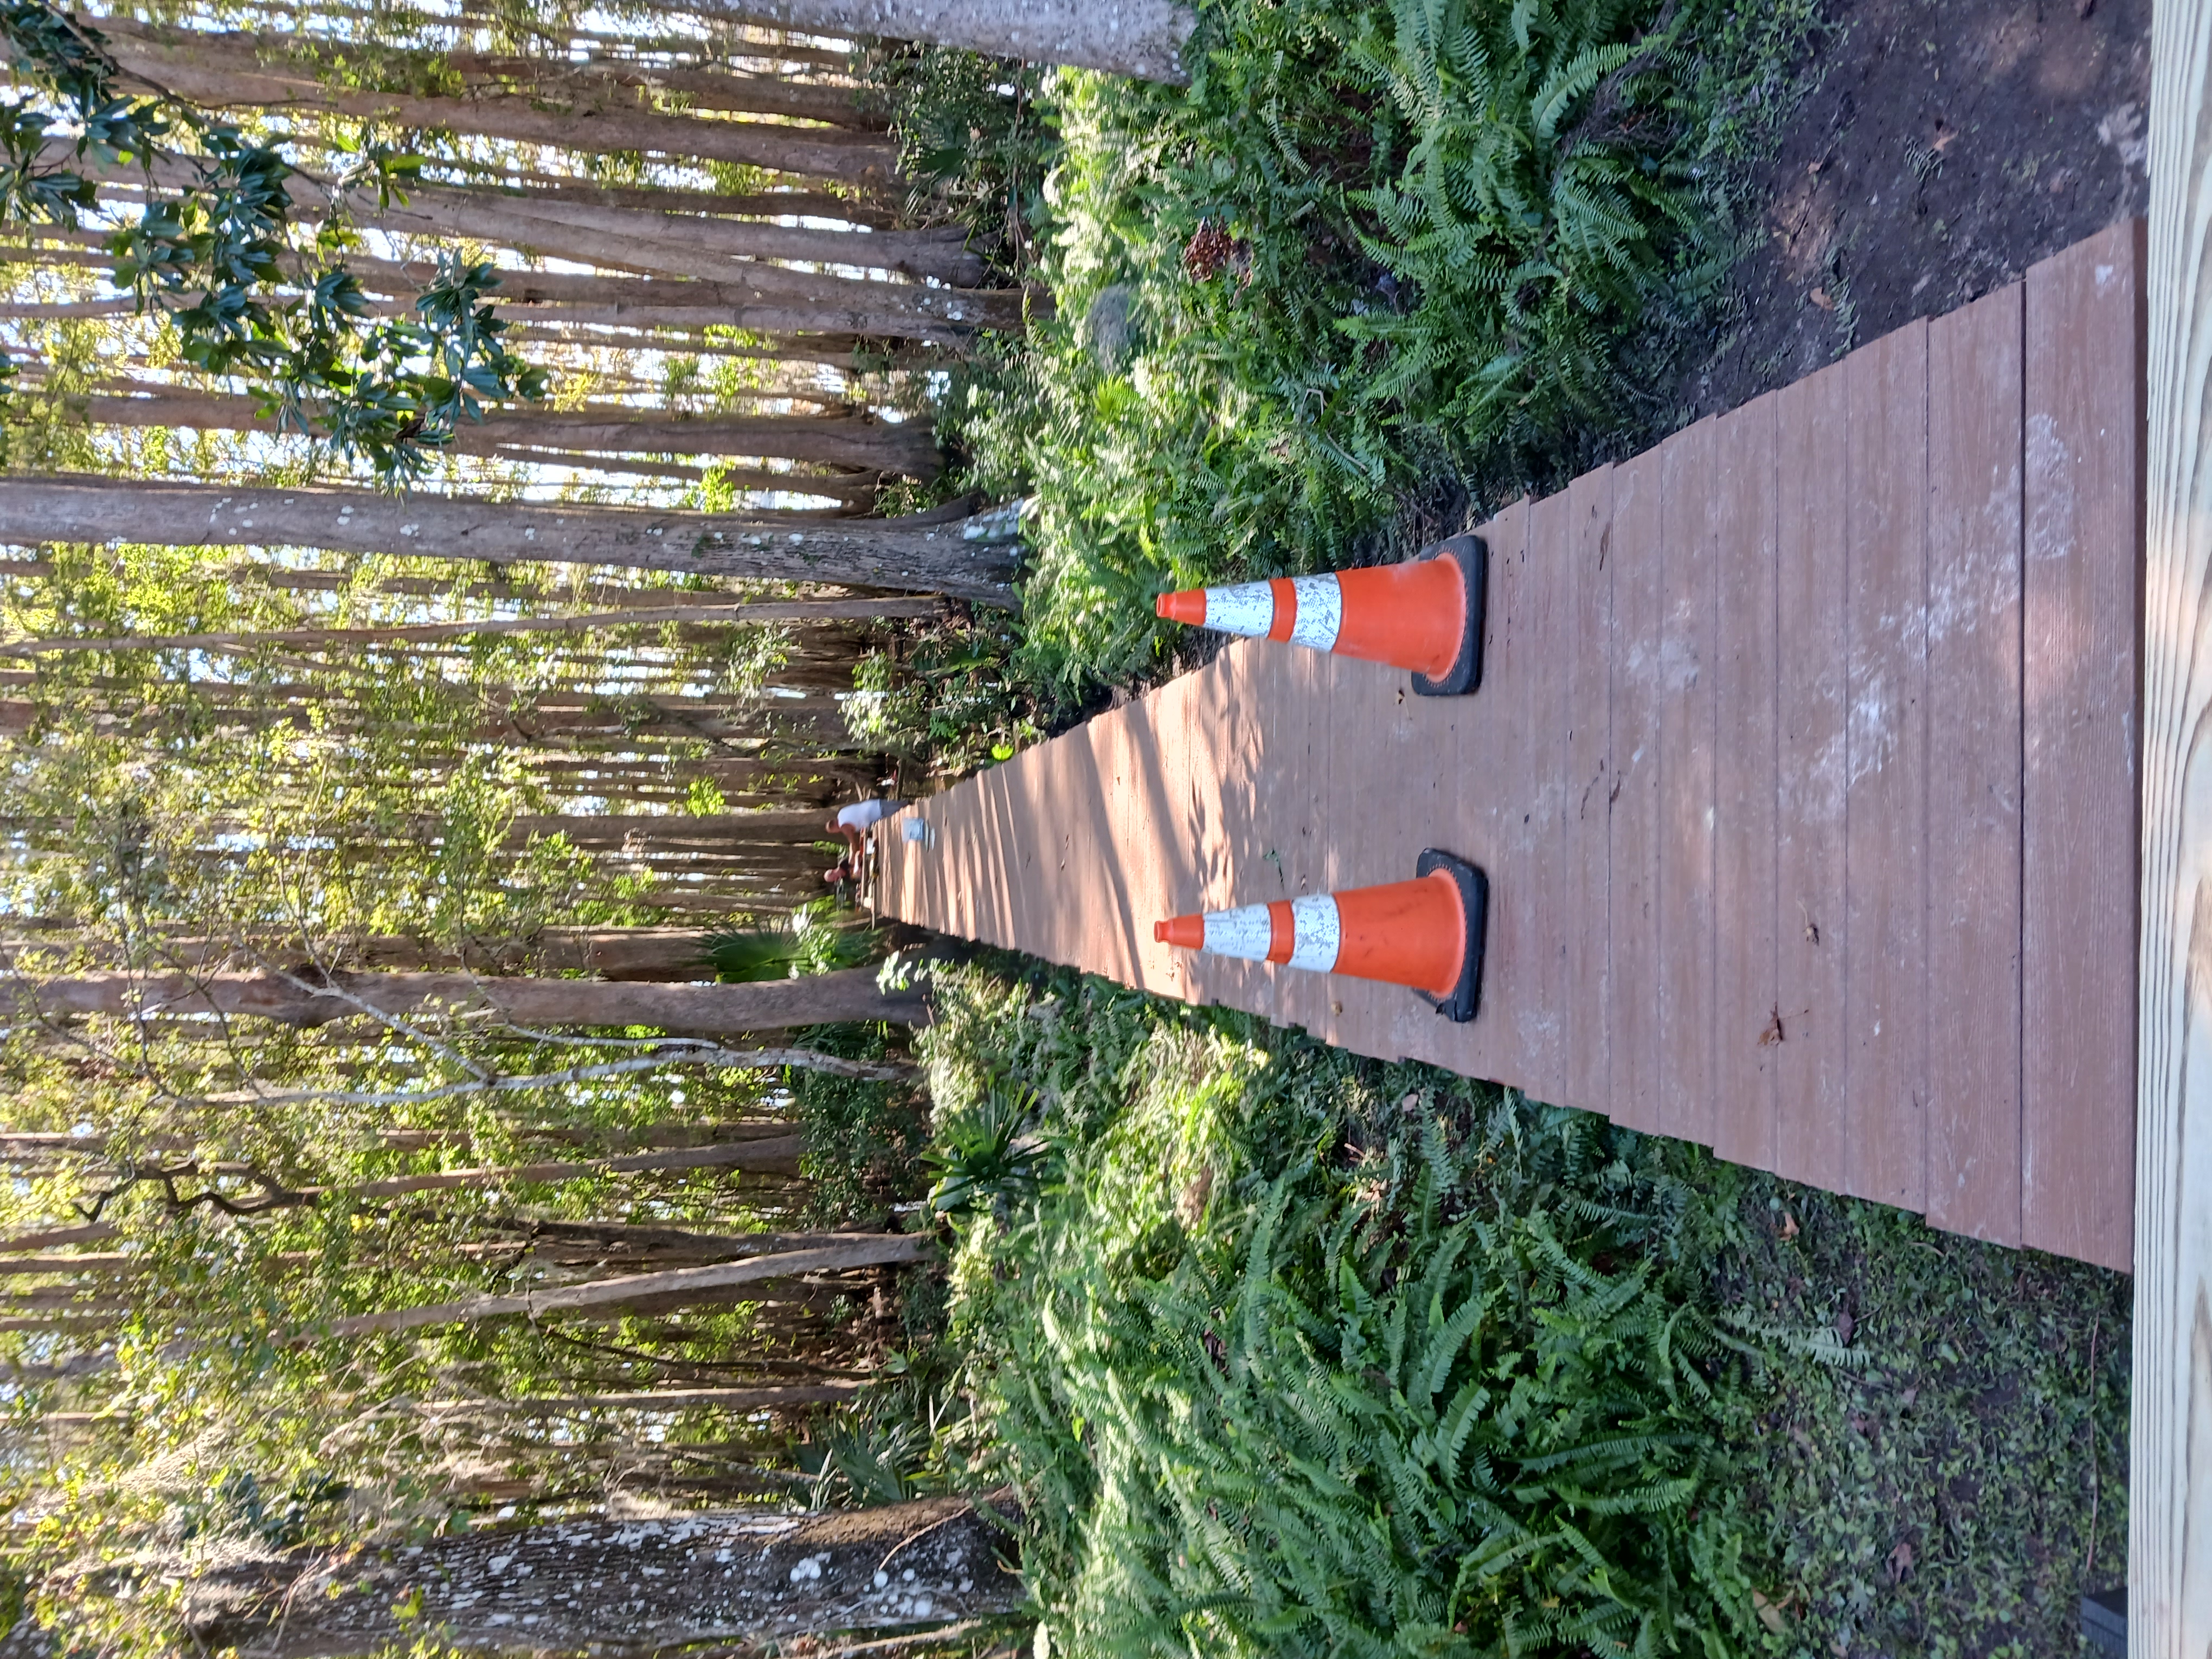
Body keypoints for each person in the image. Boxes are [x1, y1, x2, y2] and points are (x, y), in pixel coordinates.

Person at [821, 797, 900, 889]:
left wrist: (855, 863)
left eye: (834, 878)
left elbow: (854, 845)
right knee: (903, 807)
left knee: (903, 810)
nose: (836, 880)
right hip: (874, 805)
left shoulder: (843, 827)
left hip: (876, 814)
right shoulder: (841, 813)